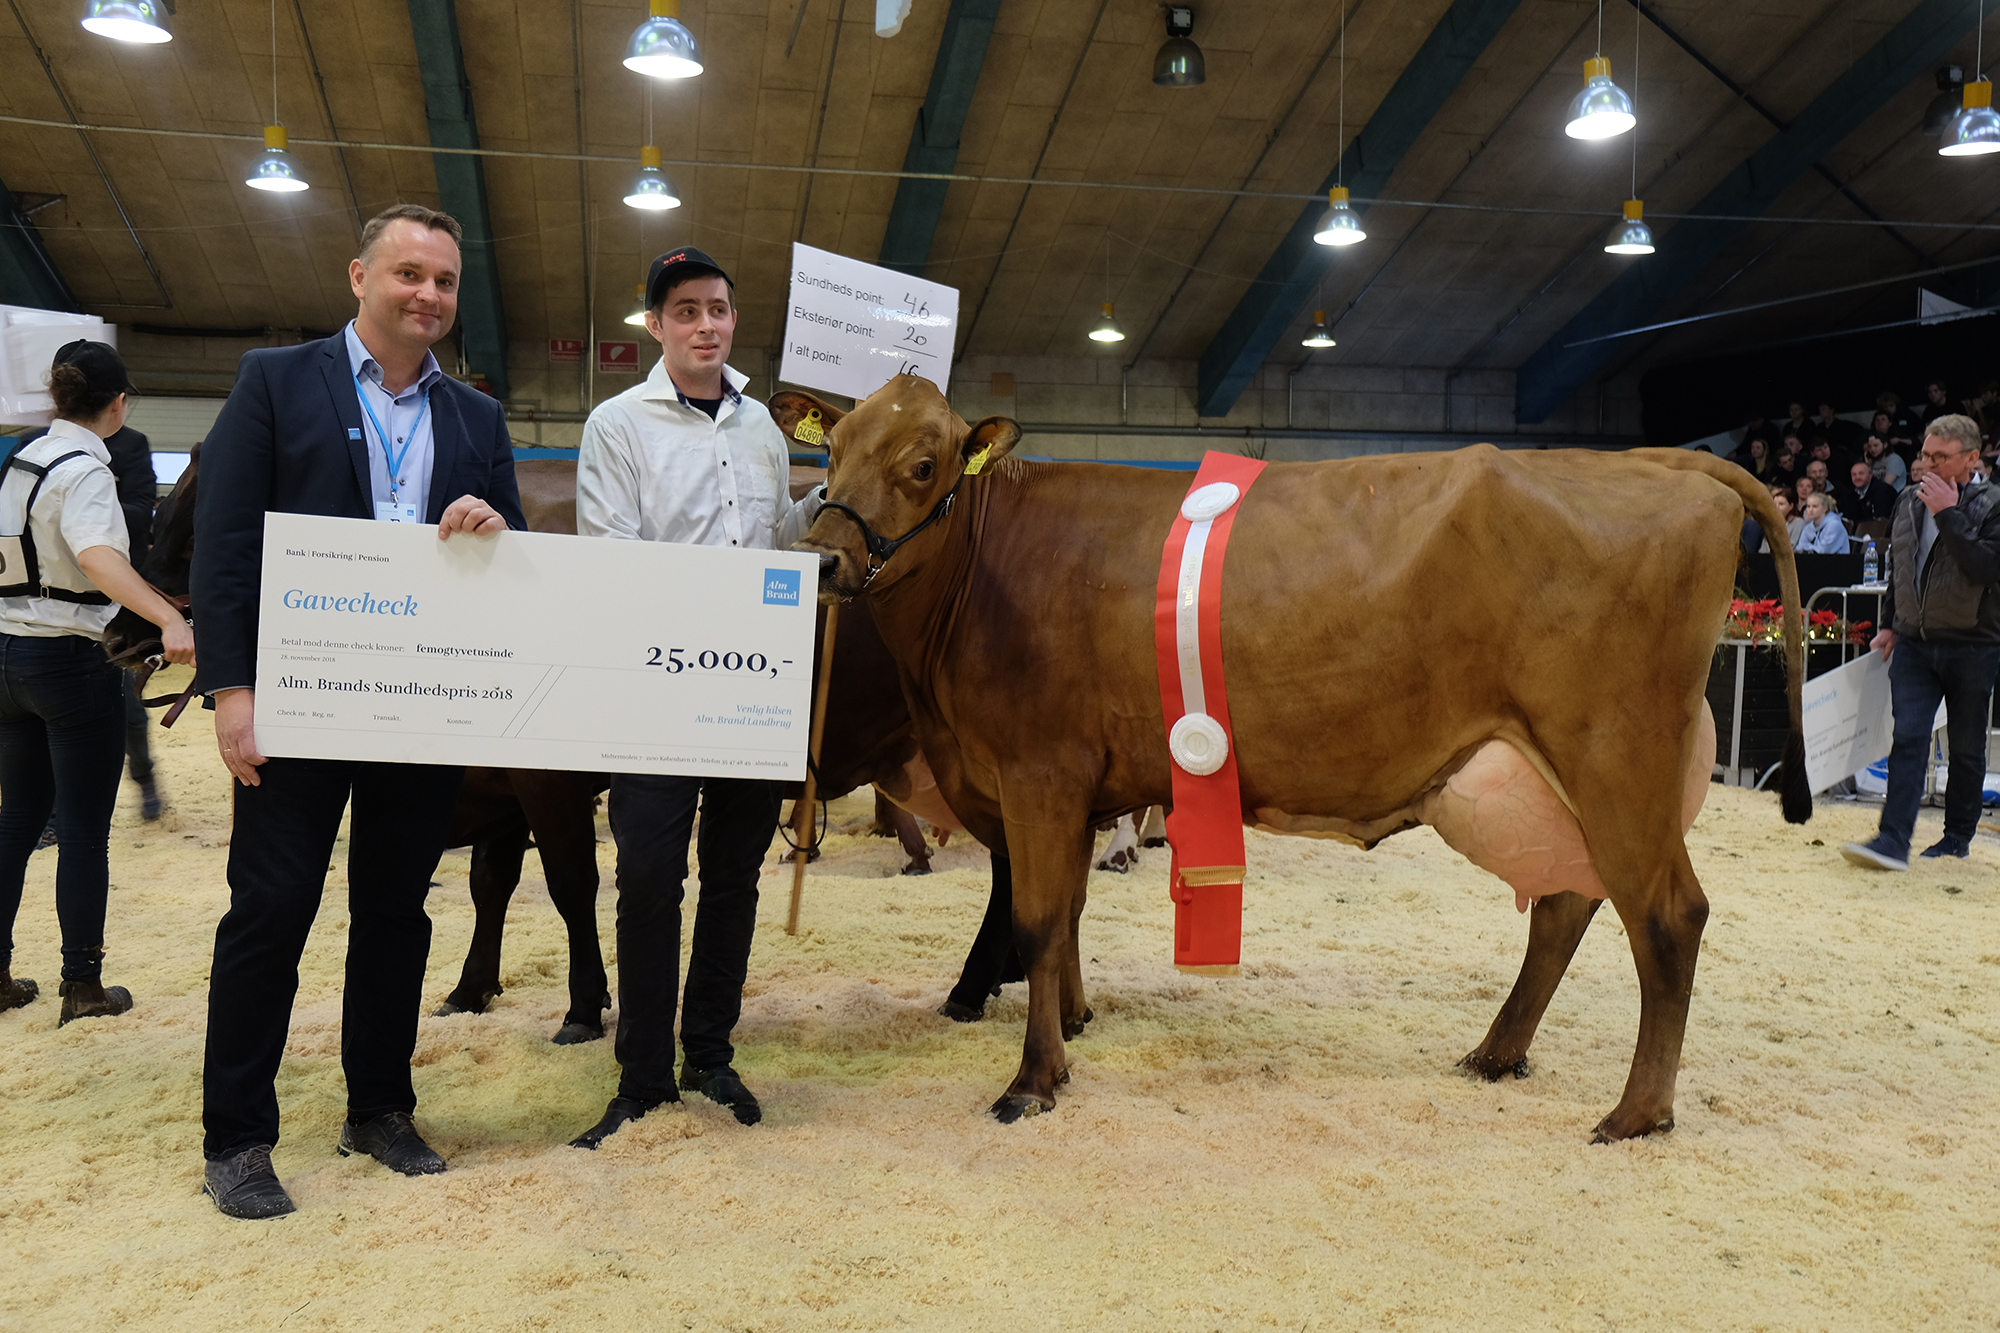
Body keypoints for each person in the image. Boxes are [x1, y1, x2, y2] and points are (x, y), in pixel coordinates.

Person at [191, 205, 525, 1220]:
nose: (428, 295)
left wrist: (487, 523)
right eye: (409, 273)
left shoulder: (475, 417)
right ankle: (238, 1138)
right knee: (271, 909)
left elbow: (508, 557)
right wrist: (232, 693)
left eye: (445, 281)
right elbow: (225, 546)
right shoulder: (274, 381)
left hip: (412, 710)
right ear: (359, 276)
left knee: (395, 913)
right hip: (296, 704)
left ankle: (379, 1107)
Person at [568, 245, 824, 1150]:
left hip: (752, 687)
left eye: (718, 308)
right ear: (656, 325)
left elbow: (777, 539)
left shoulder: (763, 428)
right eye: (685, 311)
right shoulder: (617, 423)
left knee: (734, 877)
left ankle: (710, 1051)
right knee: (645, 877)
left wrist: (829, 497)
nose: (706, 324)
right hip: (655, 683)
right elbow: (610, 548)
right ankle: (641, 1074)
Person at [0, 342, 195, 1023]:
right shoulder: (86, 472)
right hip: (67, 659)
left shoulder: (22, 460)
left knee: (16, 820)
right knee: (83, 829)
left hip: (8, 652)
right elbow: (98, 557)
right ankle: (82, 986)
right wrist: (167, 615)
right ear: (118, 405)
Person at [1842, 414, 2000, 872]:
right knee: (1908, 738)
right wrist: (1891, 622)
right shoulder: (1908, 499)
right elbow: (1900, 566)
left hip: (1974, 645)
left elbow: (1985, 568)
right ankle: (1893, 840)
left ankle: (1956, 838)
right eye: (1924, 454)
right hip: (1913, 643)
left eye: (1939, 456)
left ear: (1972, 458)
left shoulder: (1993, 504)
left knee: (1967, 749)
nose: (1925, 464)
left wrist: (1948, 514)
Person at [1839, 460, 1895, 526]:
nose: (1857, 477)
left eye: (1861, 473)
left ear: (1870, 475)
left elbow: (1881, 521)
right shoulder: (1851, 494)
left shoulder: (1882, 491)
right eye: (1854, 475)